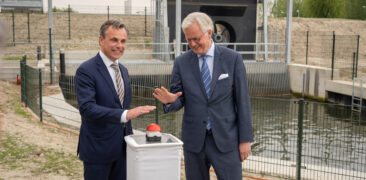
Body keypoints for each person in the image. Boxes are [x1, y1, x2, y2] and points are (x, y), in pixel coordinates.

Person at [153, 12, 253, 180]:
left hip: (226, 140)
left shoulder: (233, 59)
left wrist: (245, 140)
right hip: (194, 142)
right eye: (188, 39)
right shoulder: (181, 62)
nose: (192, 44)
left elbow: (243, 102)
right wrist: (172, 101)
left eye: (196, 39)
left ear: (209, 32)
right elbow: (179, 98)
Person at [75, 20, 156, 180]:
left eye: (123, 41)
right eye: (114, 40)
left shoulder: (123, 70)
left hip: (123, 150)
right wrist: (125, 114)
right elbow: (87, 109)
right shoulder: (86, 70)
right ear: (101, 40)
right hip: (98, 151)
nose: (119, 45)